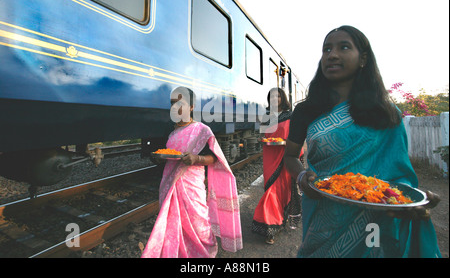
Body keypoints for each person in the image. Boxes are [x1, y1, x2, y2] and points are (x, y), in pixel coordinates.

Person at [284, 25, 441, 258]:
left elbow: (398, 173)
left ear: (363, 59)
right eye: (327, 49)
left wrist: (407, 201)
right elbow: (289, 156)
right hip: (322, 214)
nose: (332, 55)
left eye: (343, 47)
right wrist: (301, 177)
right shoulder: (306, 110)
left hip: (374, 217)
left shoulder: (386, 113)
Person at [141, 87, 242, 258]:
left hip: (192, 187)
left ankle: (203, 254)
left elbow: (215, 158)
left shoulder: (202, 130)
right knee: (172, 225)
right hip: (170, 184)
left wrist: (197, 159)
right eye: (172, 103)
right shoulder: (170, 131)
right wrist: (159, 158)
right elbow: (169, 154)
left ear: (192, 106)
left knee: (199, 224)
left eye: (180, 103)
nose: (175, 107)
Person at [252, 87, 304, 244]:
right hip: (269, 155)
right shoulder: (267, 116)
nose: (275, 99)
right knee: (270, 187)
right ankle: (275, 218)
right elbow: (263, 135)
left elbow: (297, 136)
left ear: (283, 99)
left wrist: (288, 145)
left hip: (284, 156)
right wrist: (262, 137)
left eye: (278, 97)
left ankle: (271, 225)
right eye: (272, 97)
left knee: (279, 189)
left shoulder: (291, 115)